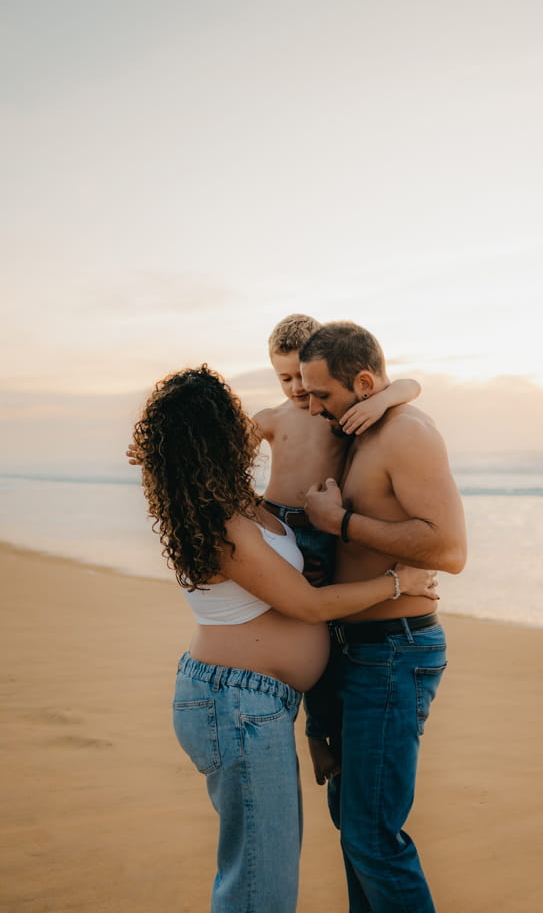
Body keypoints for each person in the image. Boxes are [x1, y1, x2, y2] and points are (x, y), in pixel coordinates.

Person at [131, 364, 439, 913]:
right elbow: (307, 605)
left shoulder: (237, 502)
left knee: (262, 879)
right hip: (236, 703)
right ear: (217, 434)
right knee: (260, 891)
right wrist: (398, 581)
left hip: (252, 703)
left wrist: (398, 391)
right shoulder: (219, 519)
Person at [300, 322, 467, 913]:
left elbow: (448, 550)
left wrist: (337, 524)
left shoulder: (407, 434)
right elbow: (403, 385)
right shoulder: (361, 425)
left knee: (373, 836)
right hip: (355, 650)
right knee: (355, 829)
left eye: (322, 394)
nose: (311, 405)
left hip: (394, 651)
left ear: (364, 382)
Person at [254, 313, 421, 782]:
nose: (296, 389)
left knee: (322, 632)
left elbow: (408, 384)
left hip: (322, 529)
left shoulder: (341, 411)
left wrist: (383, 398)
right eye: (283, 378)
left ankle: (321, 730)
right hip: (278, 525)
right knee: (291, 625)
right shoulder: (274, 418)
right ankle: (308, 733)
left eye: (302, 378)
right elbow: (222, 448)